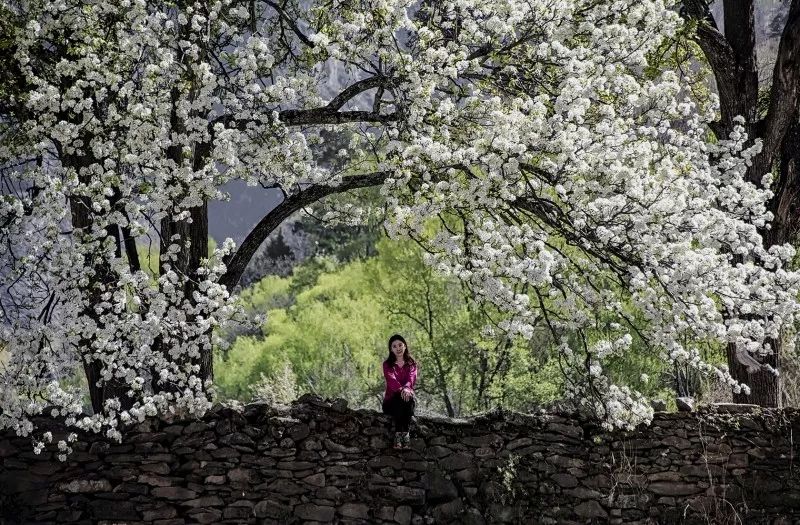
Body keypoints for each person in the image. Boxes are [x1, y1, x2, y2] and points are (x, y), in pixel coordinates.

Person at [382, 334, 417, 449]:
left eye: (400, 345)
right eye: (394, 346)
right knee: (399, 397)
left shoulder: (412, 364)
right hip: (390, 403)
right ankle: (398, 435)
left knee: (408, 398)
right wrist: (403, 390)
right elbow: (391, 380)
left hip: (407, 401)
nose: (398, 348)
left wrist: (407, 388)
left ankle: (405, 435)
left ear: (405, 346)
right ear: (391, 349)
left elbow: (411, 378)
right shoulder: (387, 365)